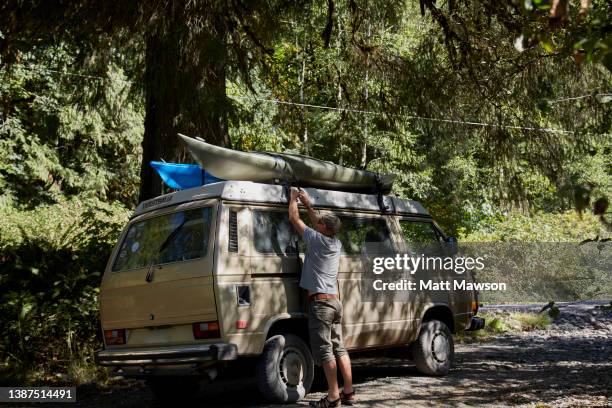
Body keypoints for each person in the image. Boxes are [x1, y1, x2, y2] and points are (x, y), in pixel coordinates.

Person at [288, 188, 356, 408]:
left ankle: (333, 396)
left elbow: (293, 218)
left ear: (323, 228)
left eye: (320, 222)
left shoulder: (315, 240)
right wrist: (307, 202)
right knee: (340, 348)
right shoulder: (335, 243)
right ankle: (349, 392)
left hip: (321, 304)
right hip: (335, 302)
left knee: (326, 350)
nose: (317, 222)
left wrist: (293, 199)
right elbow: (317, 219)